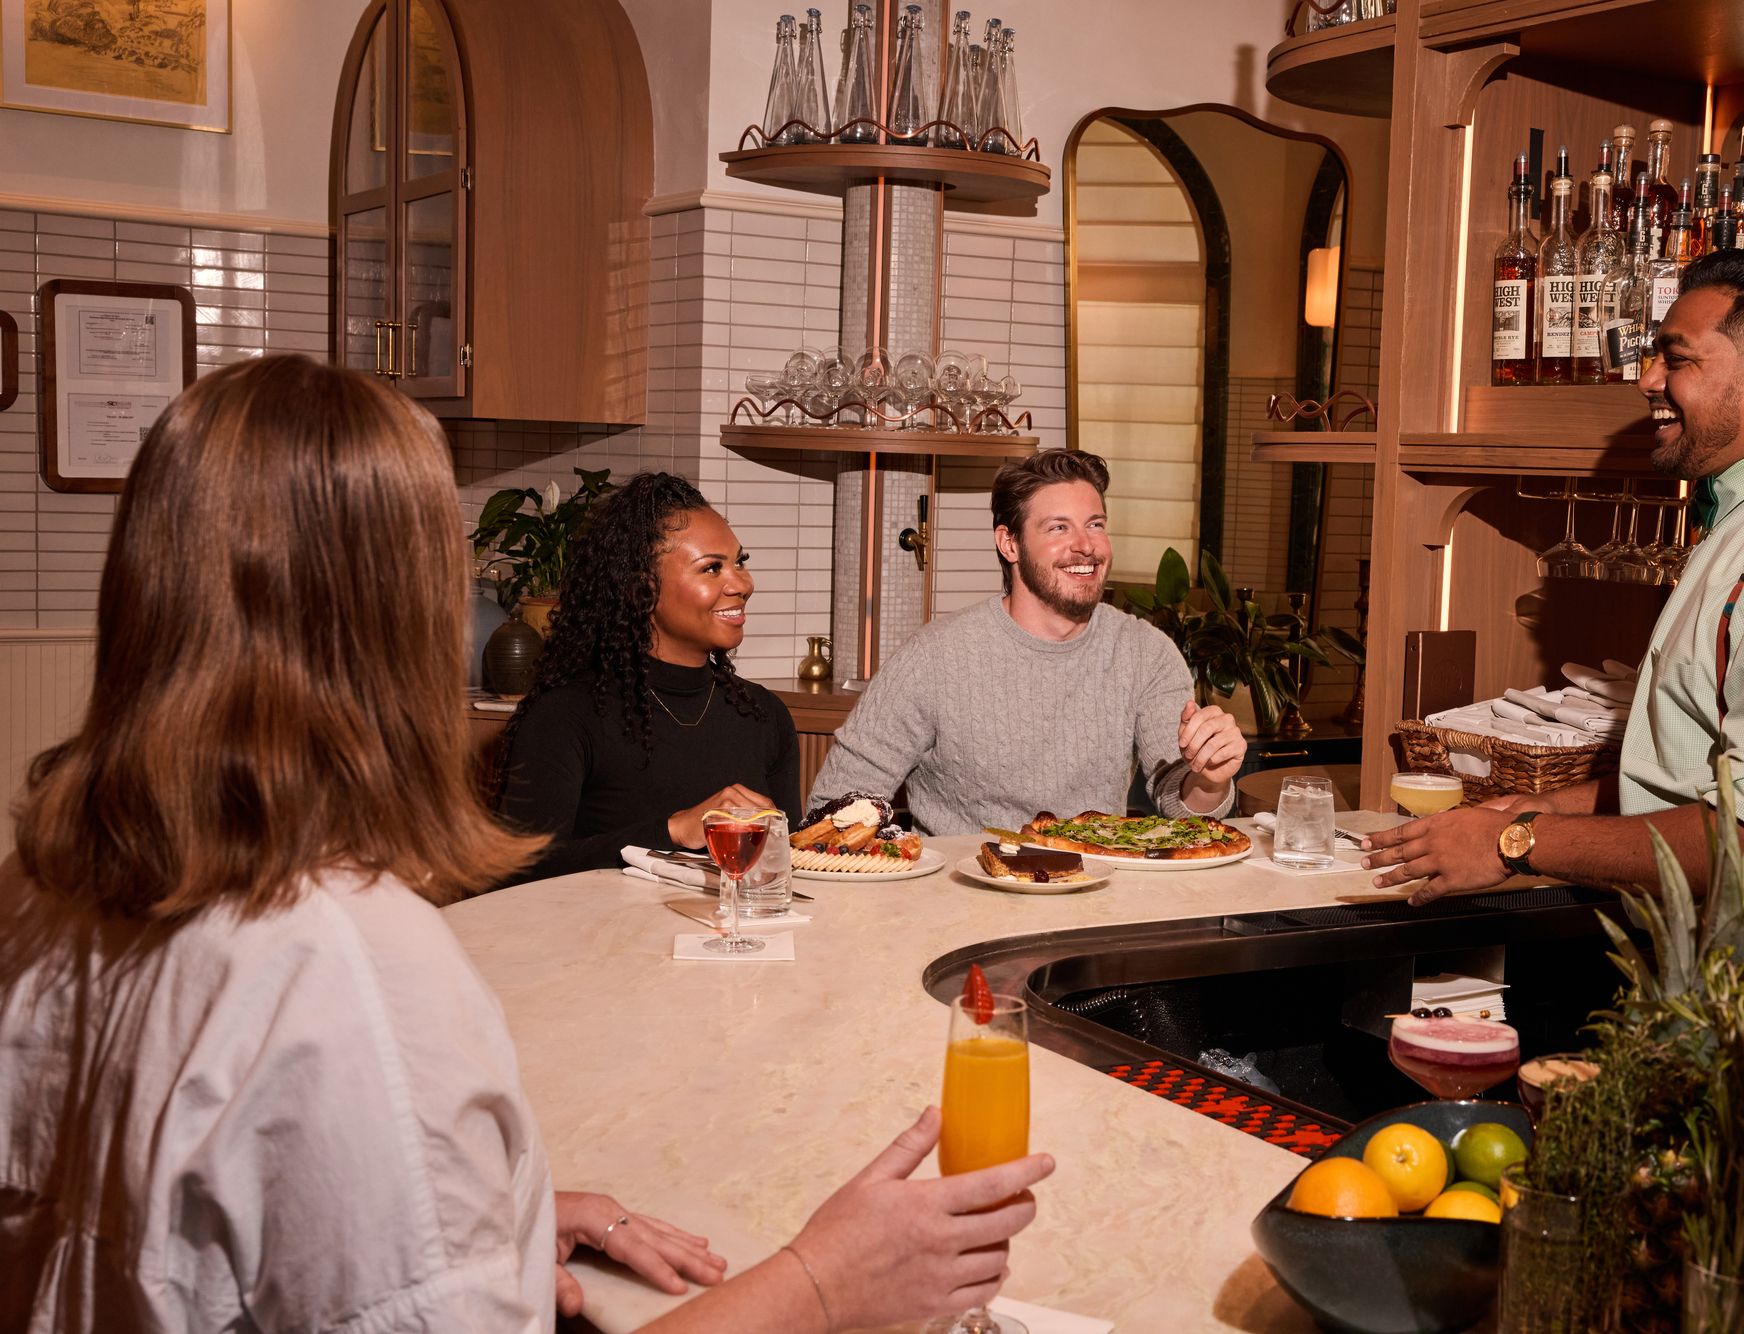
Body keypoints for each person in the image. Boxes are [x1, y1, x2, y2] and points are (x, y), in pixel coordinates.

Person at [0, 357, 1053, 1332]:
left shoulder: (45, 891)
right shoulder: (346, 966)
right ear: (394, 613)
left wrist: (497, 1210)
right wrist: (825, 1279)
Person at [1366, 249, 1744, 904]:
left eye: (1678, 358)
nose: (1648, 380)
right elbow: (1706, 775)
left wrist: (1515, 843)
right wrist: (1549, 809)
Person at [809, 449, 1248, 835]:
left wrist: (1209, 780)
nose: (1085, 546)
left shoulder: (1144, 653)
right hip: (963, 909)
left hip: (1094, 907)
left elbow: (1179, 806)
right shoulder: (935, 657)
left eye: (1095, 524)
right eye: (1058, 528)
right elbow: (835, 807)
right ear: (1009, 543)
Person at [500, 473, 800, 881]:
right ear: (641, 589)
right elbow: (519, 871)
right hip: (600, 941)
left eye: (739, 562)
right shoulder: (567, 715)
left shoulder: (763, 714)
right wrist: (674, 830)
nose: (743, 584)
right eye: (712, 568)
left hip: (732, 940)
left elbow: (787, 863)